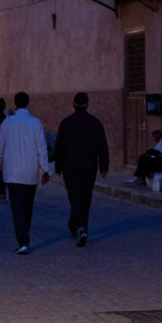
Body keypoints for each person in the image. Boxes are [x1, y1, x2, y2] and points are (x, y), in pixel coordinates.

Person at [0, 92, 50, 255]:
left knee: (17, 208)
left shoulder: (7, 123)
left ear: (15, 104)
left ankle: (23, 240)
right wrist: (45, 169)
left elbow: (0, 147)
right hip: (30, 173)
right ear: (27, 103)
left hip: (12, 173)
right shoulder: (36, 123)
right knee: (27, 207)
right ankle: (24, 237)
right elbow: (42, 148)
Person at [54, 93, 109, 246]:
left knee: (74, 197)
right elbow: (102, 146)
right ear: (87, 104)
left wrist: (57, 167)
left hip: (70, 166)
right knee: (85, 197)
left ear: (74, 104)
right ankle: (77, 226)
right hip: (89, 166)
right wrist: (104, 167)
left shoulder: (66, 123)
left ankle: (80, 228)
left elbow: (60, 147)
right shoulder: (95, 123)